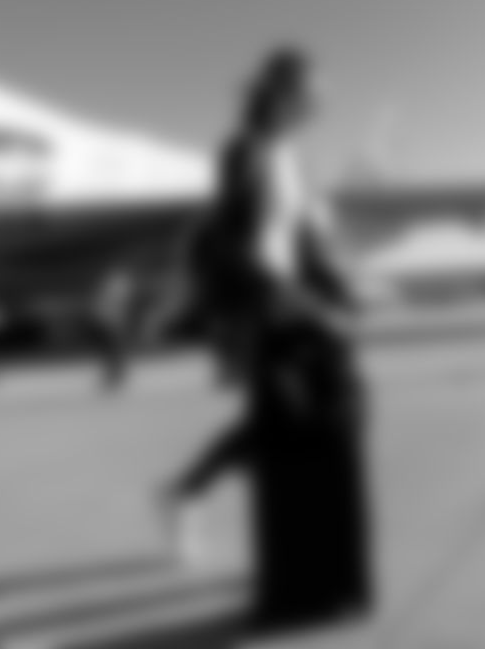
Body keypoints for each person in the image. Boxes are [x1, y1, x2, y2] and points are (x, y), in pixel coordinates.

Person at [160, 46, 373, 632]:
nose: (321, 103)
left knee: (292, 428)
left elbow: (303, 238)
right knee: (281, 425)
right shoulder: (243, 151)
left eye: (322, 94)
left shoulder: (297, 157)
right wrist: (303, 303)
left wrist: (344, 290)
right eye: (312, 92)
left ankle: (297, 560)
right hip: (258, 307)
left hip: (294, 304)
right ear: (279, 92)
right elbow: (237, 246)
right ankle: (276, 558)